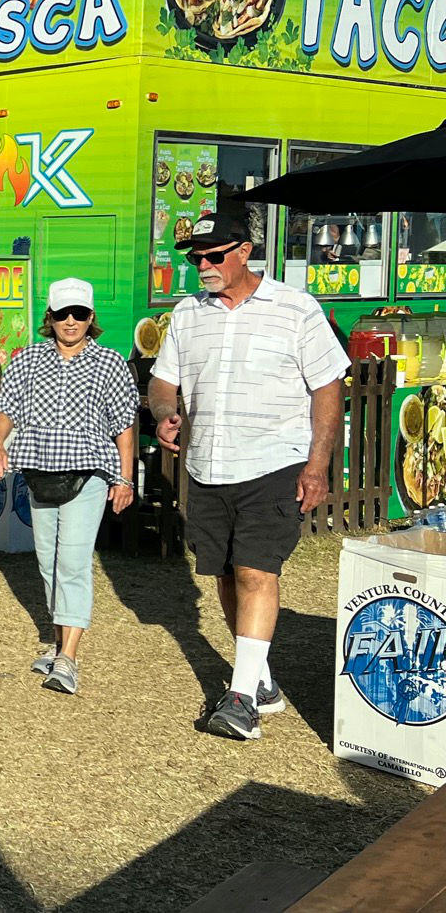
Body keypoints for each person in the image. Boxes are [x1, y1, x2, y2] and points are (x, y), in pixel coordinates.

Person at [150, 205, 349, 741]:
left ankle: (241, 703)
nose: (203, 267)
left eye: (214, 256)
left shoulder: (295, 308)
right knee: (224, 572)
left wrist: (317, 464)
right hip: (207, 465)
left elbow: (328, 387)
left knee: (257, 571)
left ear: (244, 251)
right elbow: (163, 381)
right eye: (196, 258)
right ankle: (258, 677)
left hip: (273, 462)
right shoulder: (188, 314)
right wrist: (164, 410)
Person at [0, 278, 138, 695]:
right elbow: (7, 409)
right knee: (47, 561)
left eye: (80, 314)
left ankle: (69, 659)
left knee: (72, 561)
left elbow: (124, 426)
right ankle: (58, 646)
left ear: (92, 319)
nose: (71, 321)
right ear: (49, 318)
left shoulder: (109, 363)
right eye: (63, 314)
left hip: (88, 473)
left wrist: (125, 477)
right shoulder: (27, 360)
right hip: (40, 471)